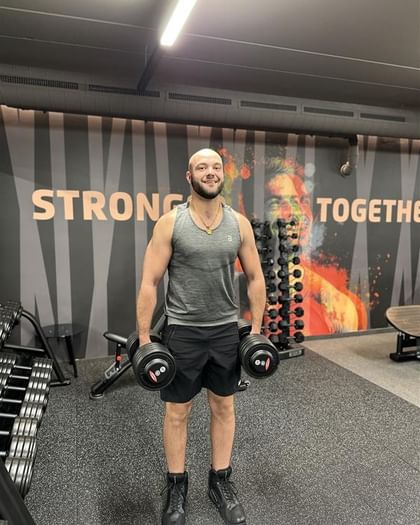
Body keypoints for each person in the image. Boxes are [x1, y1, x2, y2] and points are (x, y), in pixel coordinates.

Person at [136, 148, 266, 525]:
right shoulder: (170, 223)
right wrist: (145, 338)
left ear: (223, 175)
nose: (210, 172)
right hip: (183, 331)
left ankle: (219, 481)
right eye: (201, 167)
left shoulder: (238, 224)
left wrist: (256, 330)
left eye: (215, 167)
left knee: (223, 406)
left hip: (226, 330)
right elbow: (149, 282)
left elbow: (256, 277)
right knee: (178, 411)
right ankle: (177, 485)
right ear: (188, 176)